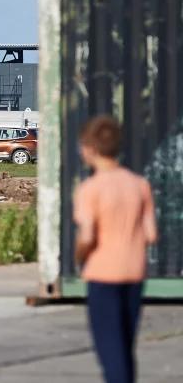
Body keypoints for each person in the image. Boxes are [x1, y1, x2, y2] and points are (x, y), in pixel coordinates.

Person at [73, 115, 157, 383]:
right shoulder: (139, 185)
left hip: (103, 274)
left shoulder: (90, 189)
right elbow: (151, 234)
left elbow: (87, 236)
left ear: (89, 149)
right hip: (134, 273)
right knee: (125, 348)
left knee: (110, 351)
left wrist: (80, 256)